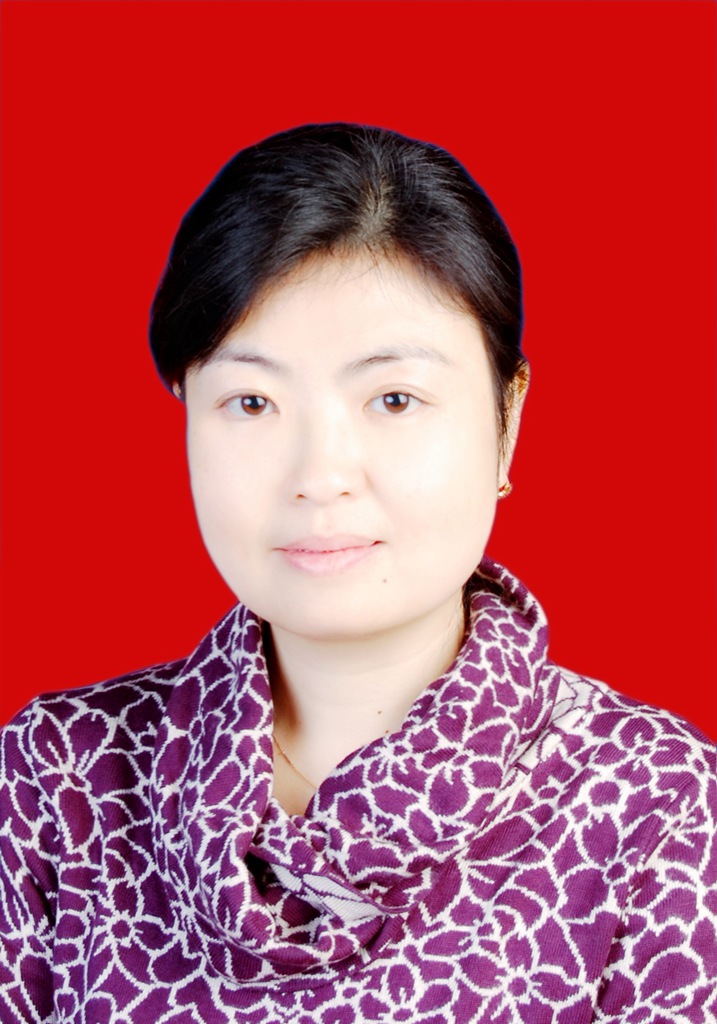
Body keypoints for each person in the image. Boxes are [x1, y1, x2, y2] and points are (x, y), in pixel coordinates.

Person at [1, 124, 715, 1024]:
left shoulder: (658, 803)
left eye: (393, 399)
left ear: (507, 419)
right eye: (251, 402)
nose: (319, 475)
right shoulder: (60, 777)